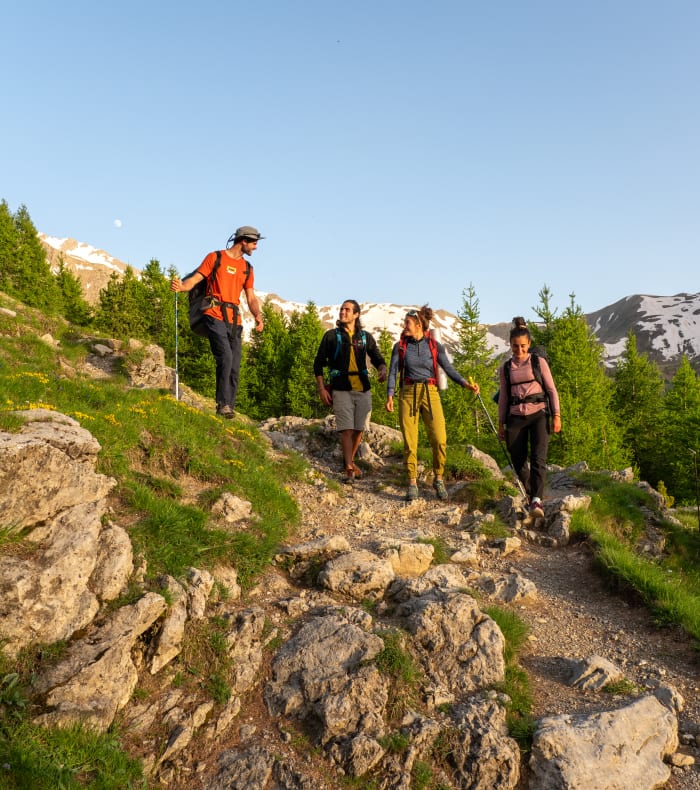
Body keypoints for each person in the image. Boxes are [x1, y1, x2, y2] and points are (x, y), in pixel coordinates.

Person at [386, 305, 479, 502]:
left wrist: (465, 384)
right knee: (410, 441)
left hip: (431, 392)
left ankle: (438, 478)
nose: (404, 326)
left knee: (439, 438)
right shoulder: (400, 346)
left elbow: (449, 369)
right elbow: (393, 372)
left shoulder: (435, 346)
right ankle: (412, 482)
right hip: (408, 393)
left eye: (408, 323)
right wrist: (390, 395)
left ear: (419, 325)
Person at [170, 226, 265, 418]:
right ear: (243, 241)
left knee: (235, 365)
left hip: (234, 319)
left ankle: (228, 407)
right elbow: (195, 279)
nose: (255, 247)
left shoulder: (247, 268)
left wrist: (257, 315)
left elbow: (251, 297)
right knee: (226, 357)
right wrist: (182, 287)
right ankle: (222, 405)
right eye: (254, 243)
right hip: (213, 313)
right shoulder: (215, 258)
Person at [314, 300, 387, 483]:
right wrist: (322, 389)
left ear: (356, 314)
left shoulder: (365, 337)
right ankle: (348, 467)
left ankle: (351, 460)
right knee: (346, 429)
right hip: (340, 388)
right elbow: (318, 363)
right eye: (341, 309)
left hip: (363, 388)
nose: (342, 312)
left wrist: (382, 369)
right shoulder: (331, 336)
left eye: (347, 310)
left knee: (359, 429)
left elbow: (377, 357)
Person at [497, 317, 562, 518]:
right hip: (515, 416)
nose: (520, 350)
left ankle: (536, 501)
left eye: (523, 346)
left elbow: (551, 389)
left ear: (529, 344)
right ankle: (531, 492)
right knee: (517, 458)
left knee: (538, 458)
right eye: (516, 347)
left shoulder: (538, 362)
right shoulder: (506, 368)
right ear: (510, 345)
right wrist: (501, 424)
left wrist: (556, 415)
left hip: (539, 415)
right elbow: (504, 397)